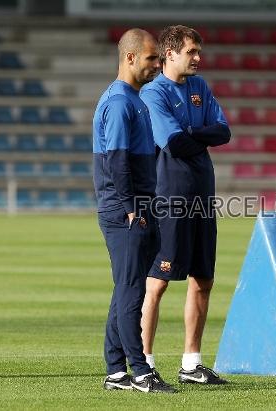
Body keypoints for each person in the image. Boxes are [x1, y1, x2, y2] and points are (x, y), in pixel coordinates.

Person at [140, 25, 230, 384]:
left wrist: (191, 133)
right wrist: (197, 135)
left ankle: (191, 364)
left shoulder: (199, 87)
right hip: (170, 198)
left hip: (203, 196)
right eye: (191, 52)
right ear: (170, 54)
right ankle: (144, 361)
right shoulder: (153, 93)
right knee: (157, 283)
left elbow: (224, 131)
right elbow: (172, 142)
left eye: (198, 51)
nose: (198, 58)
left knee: (203, 279)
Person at [92, 28, 174, 393]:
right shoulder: (119, 102)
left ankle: (116, 370)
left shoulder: (133, 98)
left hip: (140, 205)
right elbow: (116, 161)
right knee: (131, 293)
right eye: (151, 58)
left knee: (126, 288)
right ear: (129, 58)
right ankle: (140, 371)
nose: (157, 65)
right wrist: (129, 208)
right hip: (127, 210)